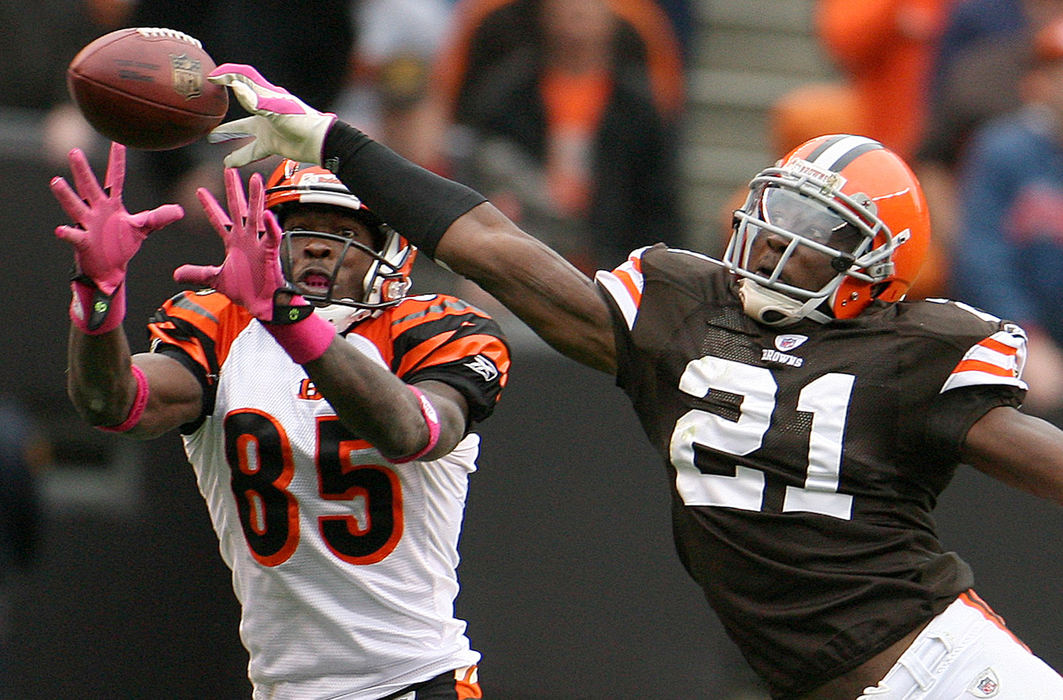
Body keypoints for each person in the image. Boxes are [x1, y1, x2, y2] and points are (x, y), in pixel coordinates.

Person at [203, 63, 1063, 699]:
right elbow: (495, 250)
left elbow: (1040, 458)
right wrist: (332, 143)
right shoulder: (684, 310)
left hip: (946, 671)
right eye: (776, 216)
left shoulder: (910, 351)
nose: (770, 243)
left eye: (811, 234)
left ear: (872, 264)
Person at [50, 140, 510, 698]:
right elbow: (113, 404)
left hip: (414, 681)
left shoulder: (432, 331)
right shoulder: (221, 327)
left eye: (342, 233)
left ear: (388, 250)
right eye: (300, 229)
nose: (317, 247)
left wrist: (288, 319)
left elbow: (410, 431)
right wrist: (99, 300)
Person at [949, 14, 1063, 426]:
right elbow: (982, 257)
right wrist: (1025, 336)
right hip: (1016, 332)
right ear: (1041, 82)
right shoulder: (1004, 148)